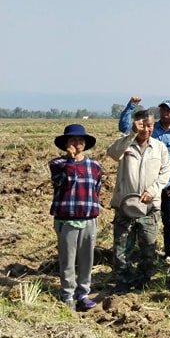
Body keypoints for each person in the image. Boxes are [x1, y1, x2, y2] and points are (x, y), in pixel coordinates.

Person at [107, 108, 170, 293]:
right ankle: (123, 280)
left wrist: (152, 191)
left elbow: (165, 173)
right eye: (142, 125)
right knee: (122, 247)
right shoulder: (126, 144)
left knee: (148, 247)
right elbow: (112, 153)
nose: (146, 129)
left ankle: (144, 280)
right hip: (125, 205)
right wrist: (131, 134)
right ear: (136, 125)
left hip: (150, 206)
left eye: (150, 125)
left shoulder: (159, 147)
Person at [119, 97, 170, 266]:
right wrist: (131, 106)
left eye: (169, 110)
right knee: (142, 220)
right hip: (146, 186)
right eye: (163, 109)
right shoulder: (149, 127)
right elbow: (124, 128)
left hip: (169, 184)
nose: (165, 113)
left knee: (169, 222)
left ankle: (169, 254)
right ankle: (143, 253)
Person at [49, 124, 103, 311]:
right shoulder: (57, 164)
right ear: (66, 144)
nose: (77, 143)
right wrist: (71, 162)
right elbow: (63, 183)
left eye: (81, 140)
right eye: (73, 140)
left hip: (89, 219)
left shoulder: (95, 165)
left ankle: (83, 293)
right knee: (68, 259)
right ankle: (68, 295)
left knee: (87, 259)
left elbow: (96, 190)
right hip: (67, 219)